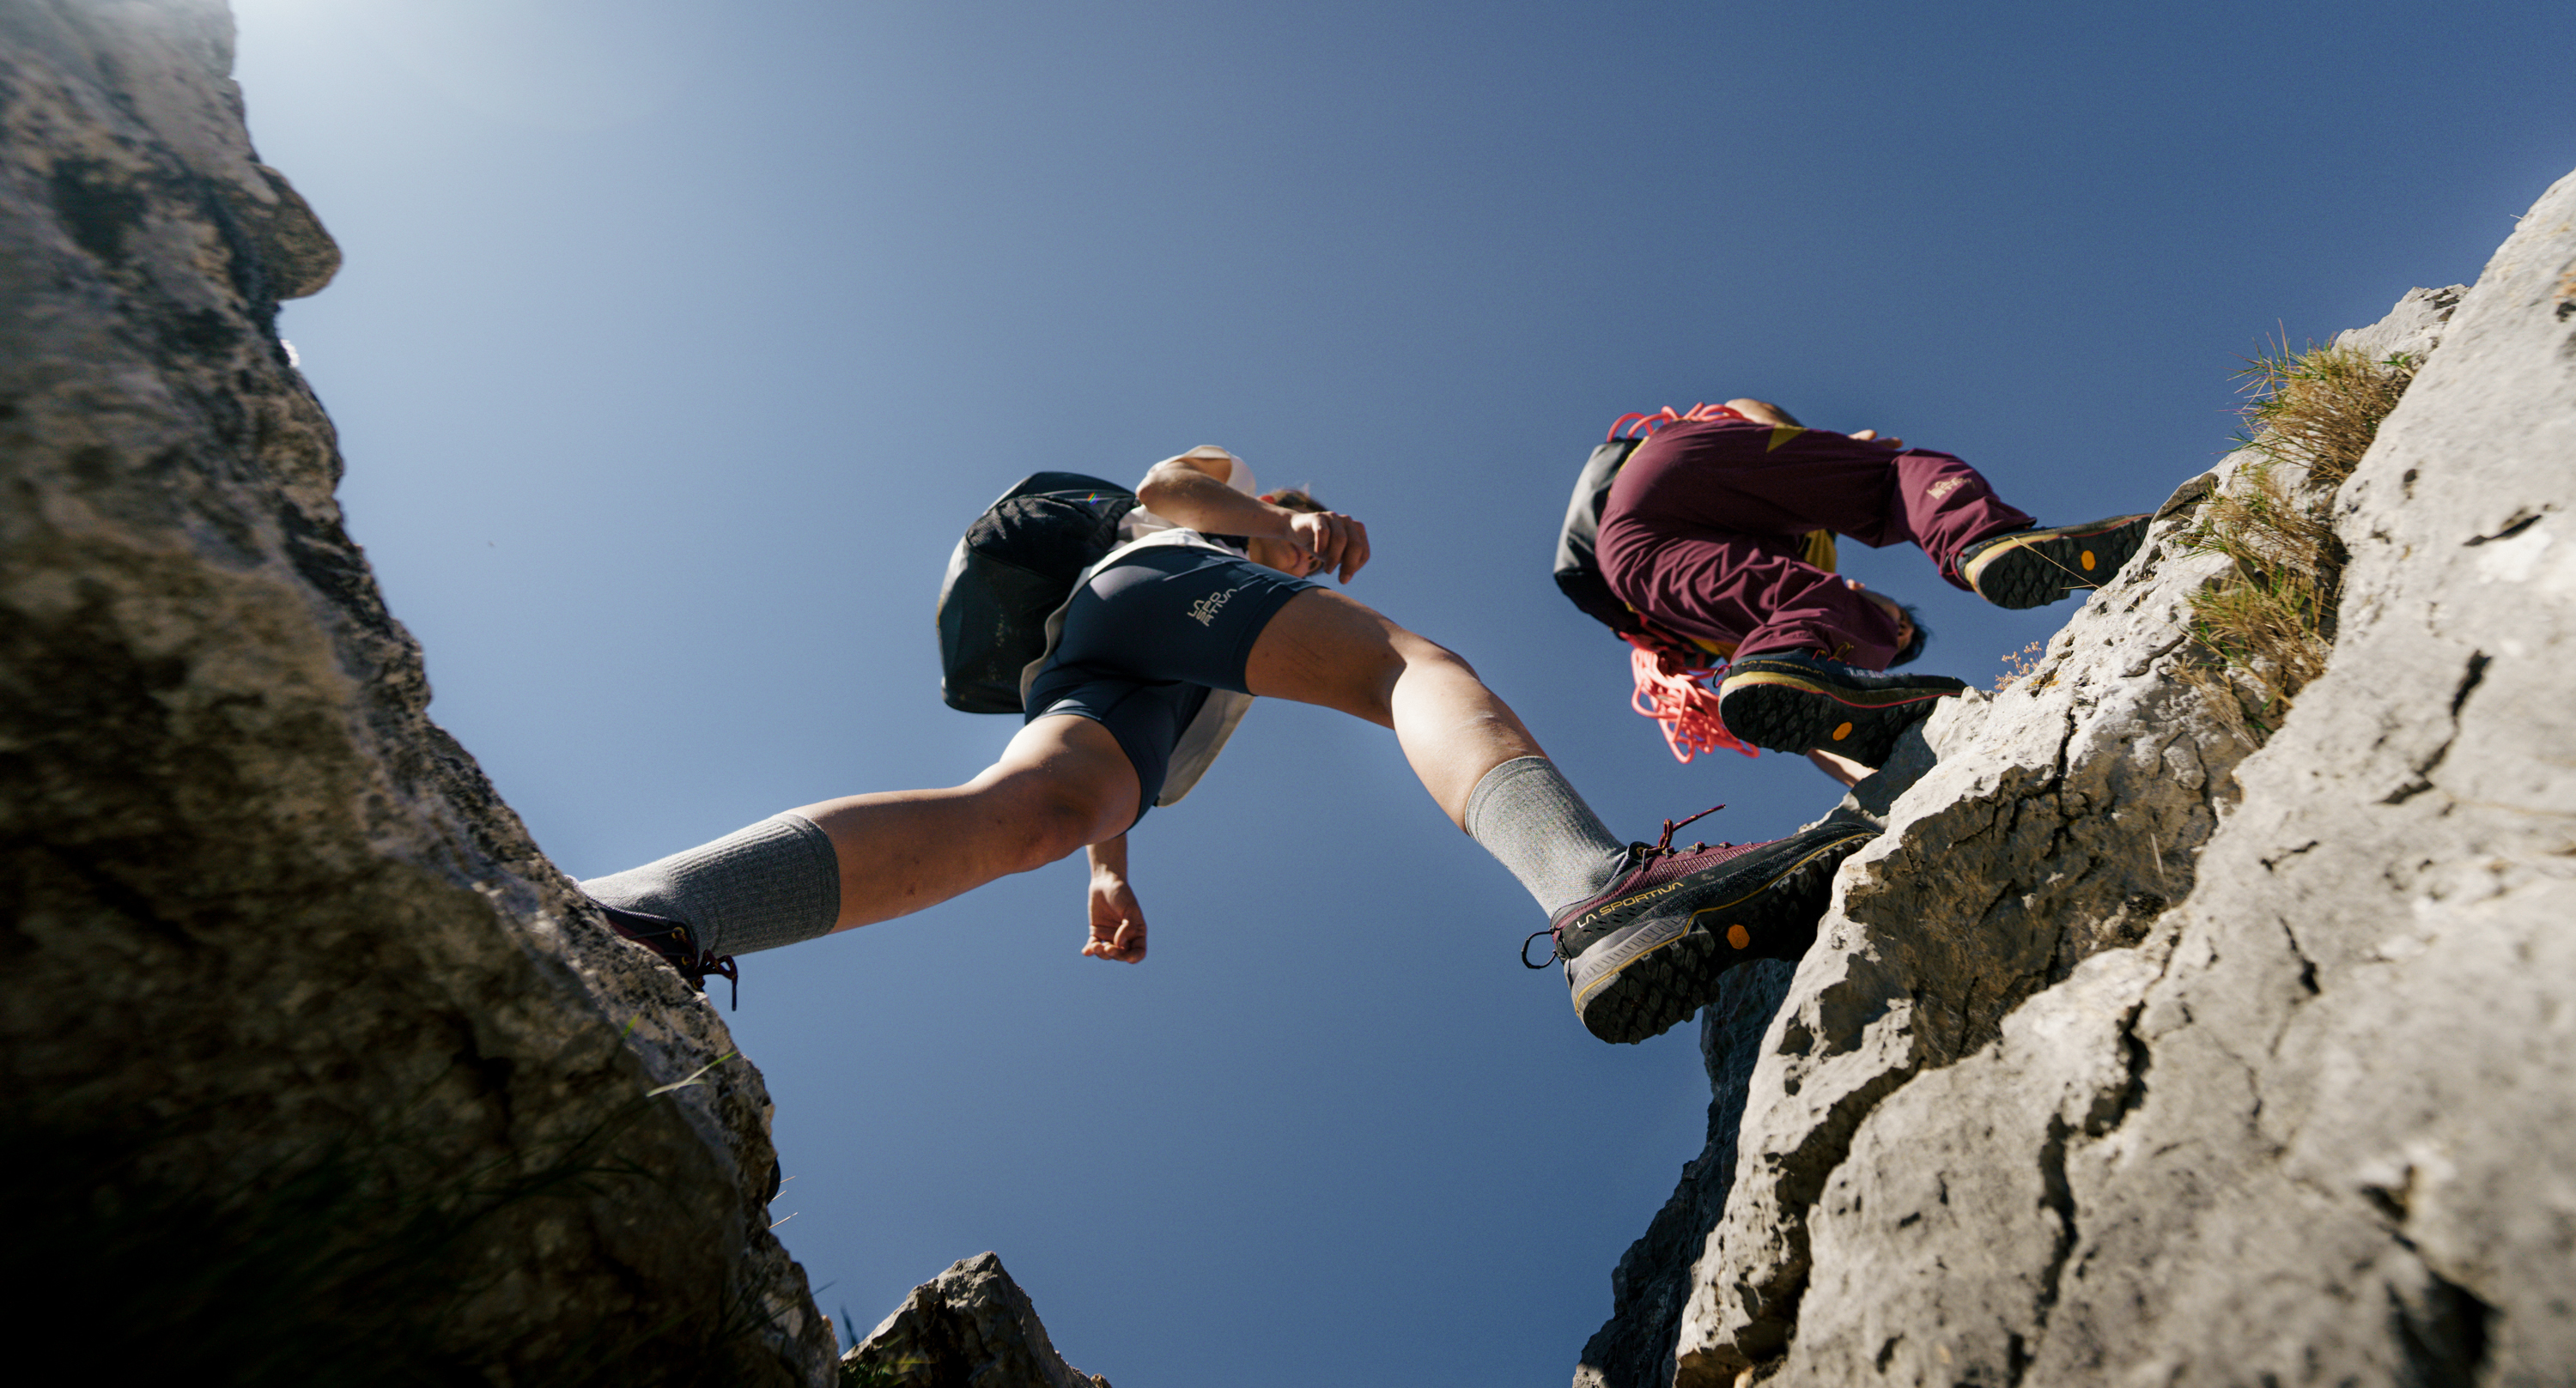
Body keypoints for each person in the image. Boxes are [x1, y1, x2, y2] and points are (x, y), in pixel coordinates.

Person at [583, 445, 1875, 1045]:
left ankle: (657, 911)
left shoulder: (1215, 628)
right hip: (1139, 598)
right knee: (1407, 668)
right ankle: (1601, 892)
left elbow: (1104, 776)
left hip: (1111, 688)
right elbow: (1161, 489)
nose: (1312, 534)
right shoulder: (1228, 517)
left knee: (1018, 819)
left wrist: (1110, 869)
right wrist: (1285, 522)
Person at [1594, 400, 2151, 769]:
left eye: (1897, 634)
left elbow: (1796, 711)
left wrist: (1883, 786)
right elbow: (1748, 409)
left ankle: (1980, 547)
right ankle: (1982, 538)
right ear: (1861, 586)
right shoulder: (1820, 563)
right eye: (1899, 619)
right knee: (1891, 473)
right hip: (1678, 463)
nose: (1898, 627)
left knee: (1793, 662)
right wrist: (1823, 445)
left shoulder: (1779, 608)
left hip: (1628, 559)